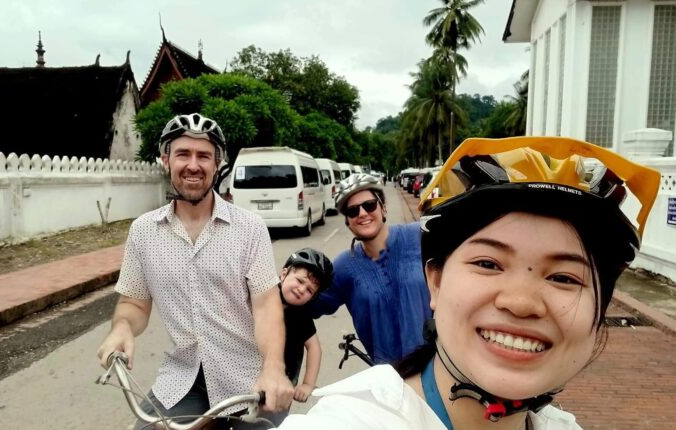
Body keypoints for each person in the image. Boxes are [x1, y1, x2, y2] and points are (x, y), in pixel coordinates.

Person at [277, 136, 660, 429]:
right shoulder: (354, 419)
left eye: (563, 277)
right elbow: (305, 309)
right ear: (436, 281)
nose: (521, 302)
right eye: (488, 263)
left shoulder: (415, 237)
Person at [96, 113, 293, 429]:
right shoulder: (143, 231)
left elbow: (266, 306)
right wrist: (121, 328)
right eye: (183, 154)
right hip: (182, 377)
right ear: (165, 159)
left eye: (204, 156)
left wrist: (273, 367)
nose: (193, 165)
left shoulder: (250, 228)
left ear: (217, 165)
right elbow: (133, 303)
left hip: (248, 377)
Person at [308, 173, 431, 364]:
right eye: (353, 211)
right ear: (348, 222)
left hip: (438, 368)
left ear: (383, 208)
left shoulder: (419, 236)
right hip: (389, 378)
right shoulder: (343, 268)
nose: (363, 214)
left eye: (369, 205)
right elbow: (306, 305)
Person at [273, 248, 333, 425]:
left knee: (271, 424)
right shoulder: (262, 297)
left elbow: (314, 347)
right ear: (284, 273)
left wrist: (307, 384)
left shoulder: (301, 314)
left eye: (309, 290)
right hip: (243, 376)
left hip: (282, 386)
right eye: (299, 281)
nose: (301, 289)